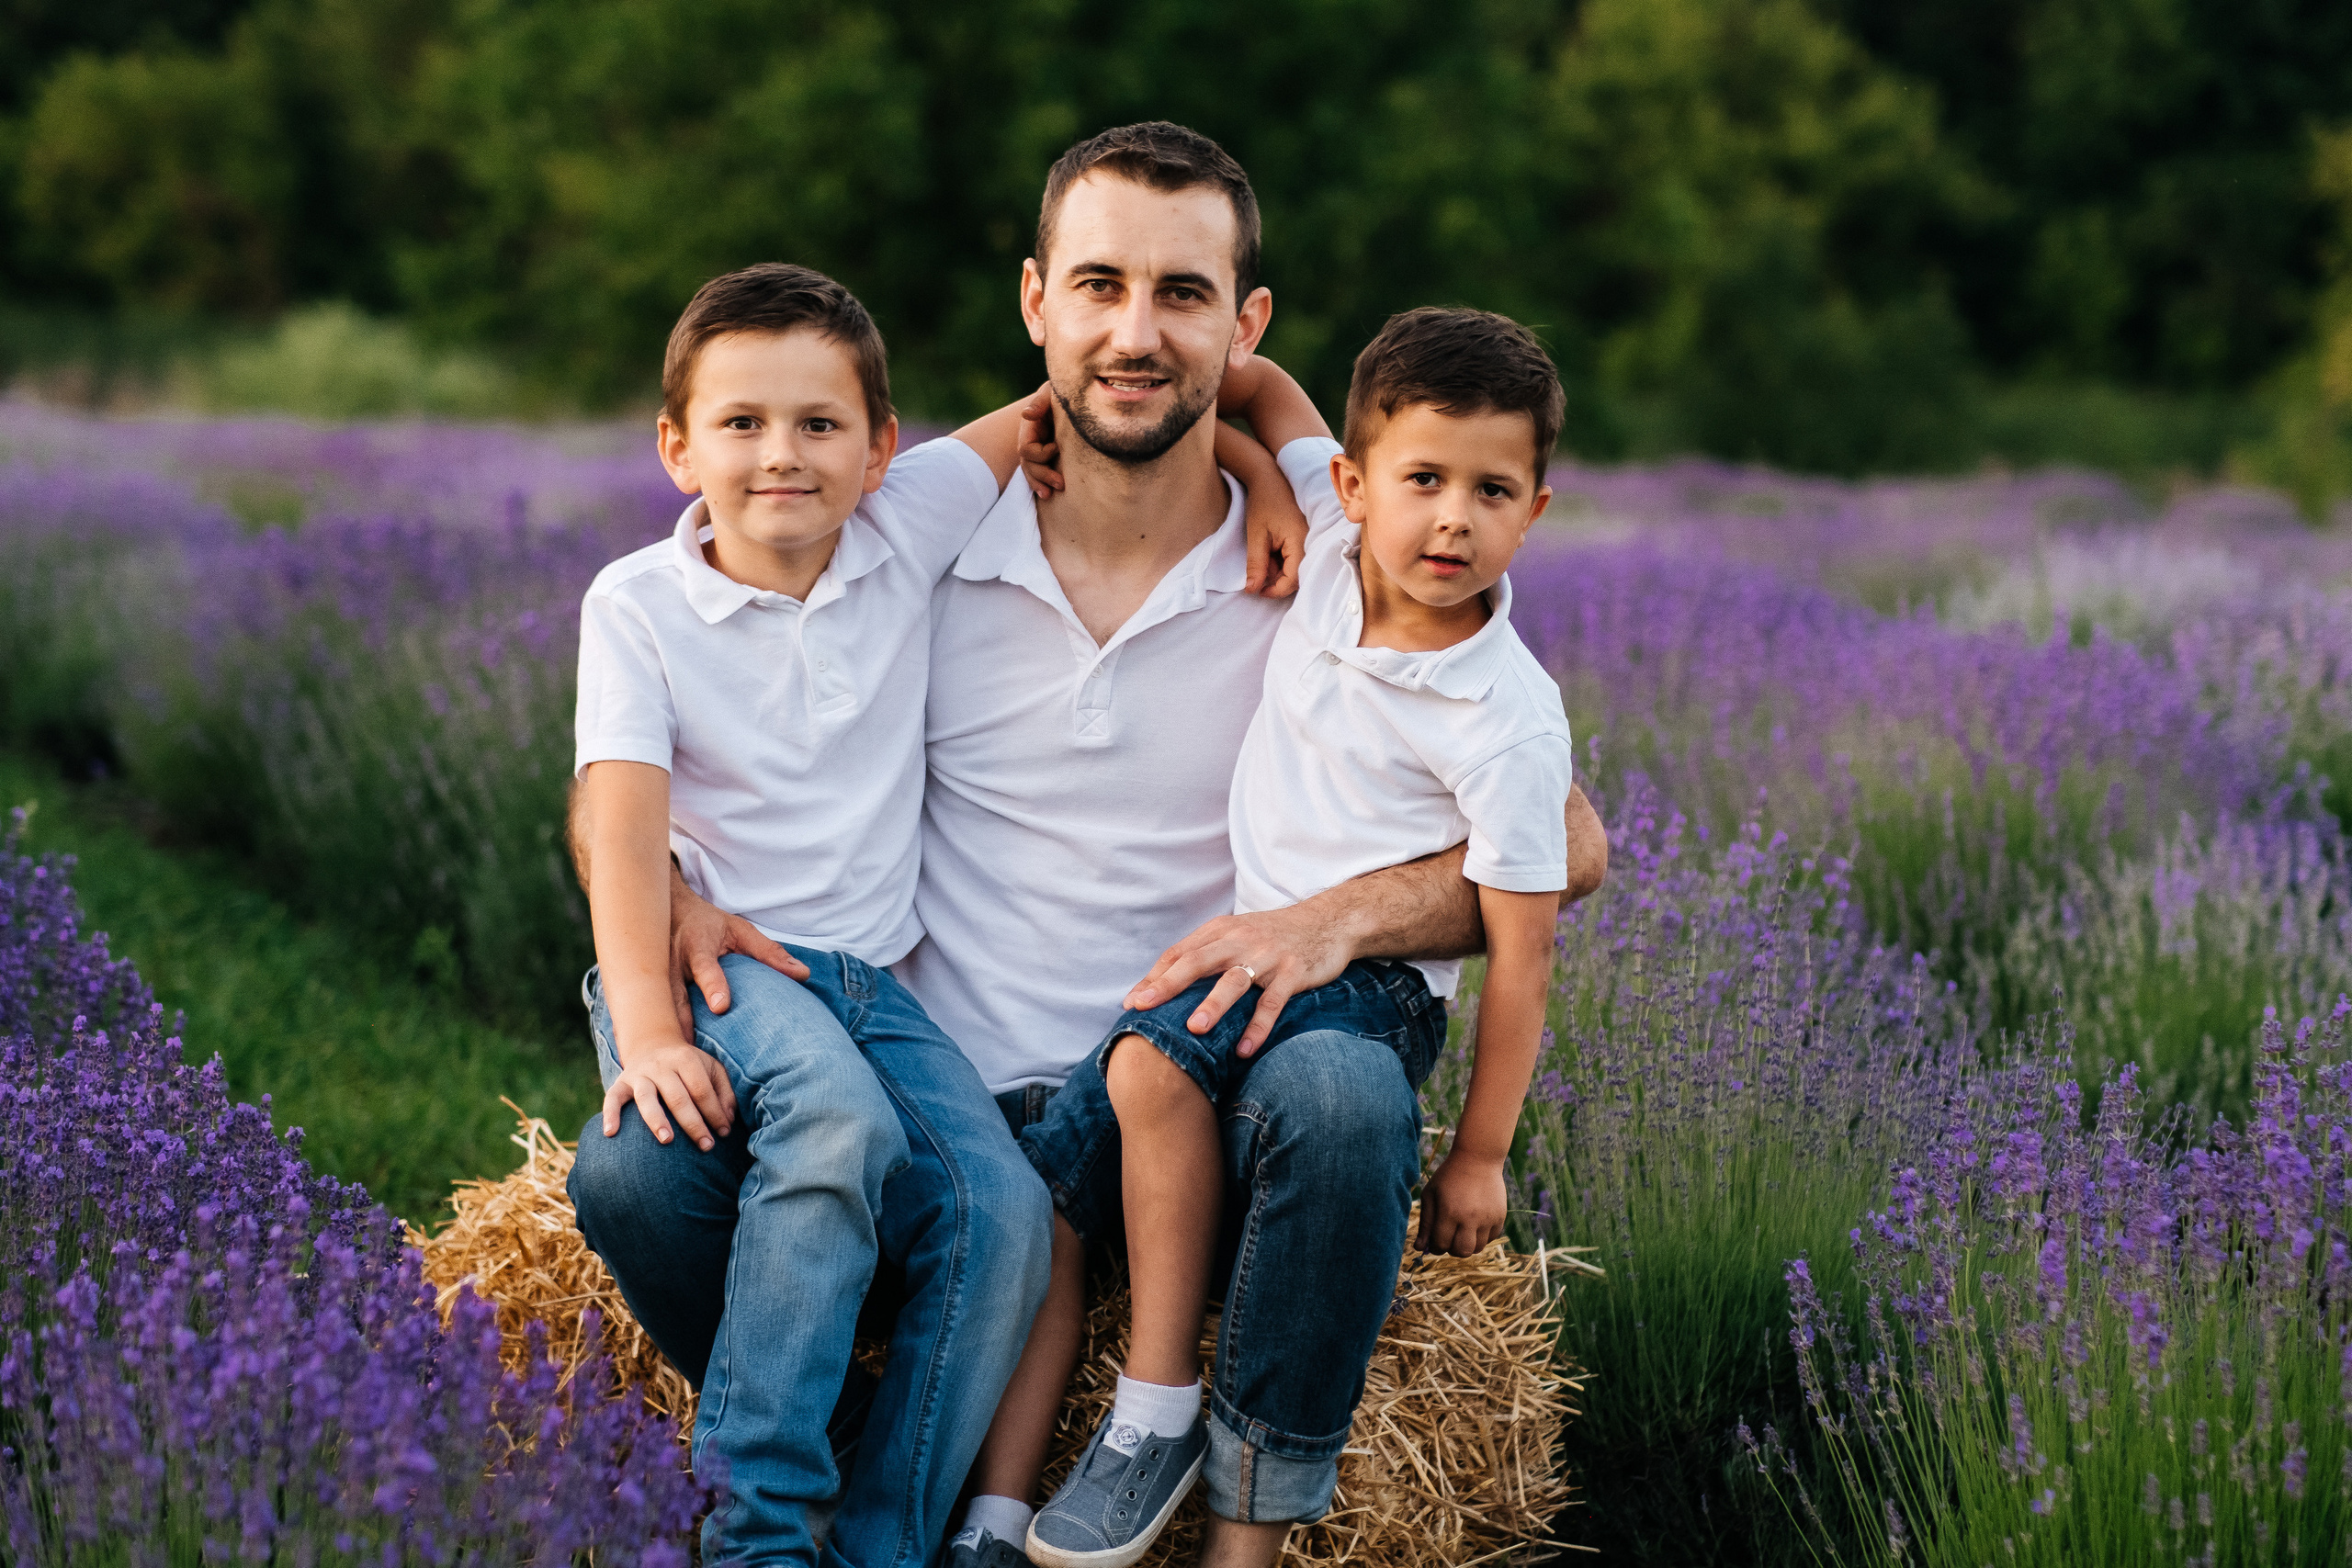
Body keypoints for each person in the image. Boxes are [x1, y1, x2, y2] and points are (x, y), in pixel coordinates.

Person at [658, 121, 1607, 1568]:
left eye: (1183, 294)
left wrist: (1333, 923)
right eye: (1100, 286)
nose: (1137, 332)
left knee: (1347, 1097)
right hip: (949, 1096)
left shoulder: (1335, 569)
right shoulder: (906, 551)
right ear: (1036, 301)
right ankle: (852, 1474)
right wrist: (668, 894)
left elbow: (1570, 844)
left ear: (1246, 325)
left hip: (1199, 1104)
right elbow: (691, 696)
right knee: (636, 1176)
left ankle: (1225, 1514)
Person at [564, 260, 1315, 1568]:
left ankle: (887, 1541)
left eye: (819, 426)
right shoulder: (636, 604)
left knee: (1010, 1220)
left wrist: (1252, 462)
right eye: (739, 425)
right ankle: (762, 1530)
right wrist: (647, 1032)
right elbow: (622, 824)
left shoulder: (904, 528)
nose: (782, 456)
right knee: (834, 1131)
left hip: (873, 988)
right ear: (677, 449)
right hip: (720, 979)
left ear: (882, 451)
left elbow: (1087, 403)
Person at [1002, 305, 1574, 1568]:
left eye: (1493, 490)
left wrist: (1479, 1157)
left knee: (1218, 1078)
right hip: (1251, 959)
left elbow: (1524, 956)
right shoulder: (1323, 539)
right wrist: (1262, 472)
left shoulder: (1509, 720)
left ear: (1537, 508)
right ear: (1357, 484)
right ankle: (1107, 1441)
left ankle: (1218, 1497)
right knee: (1063, 1161)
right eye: (1421, 481)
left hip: (1375, 998)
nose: (1450, 521)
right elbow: (1250, 378)